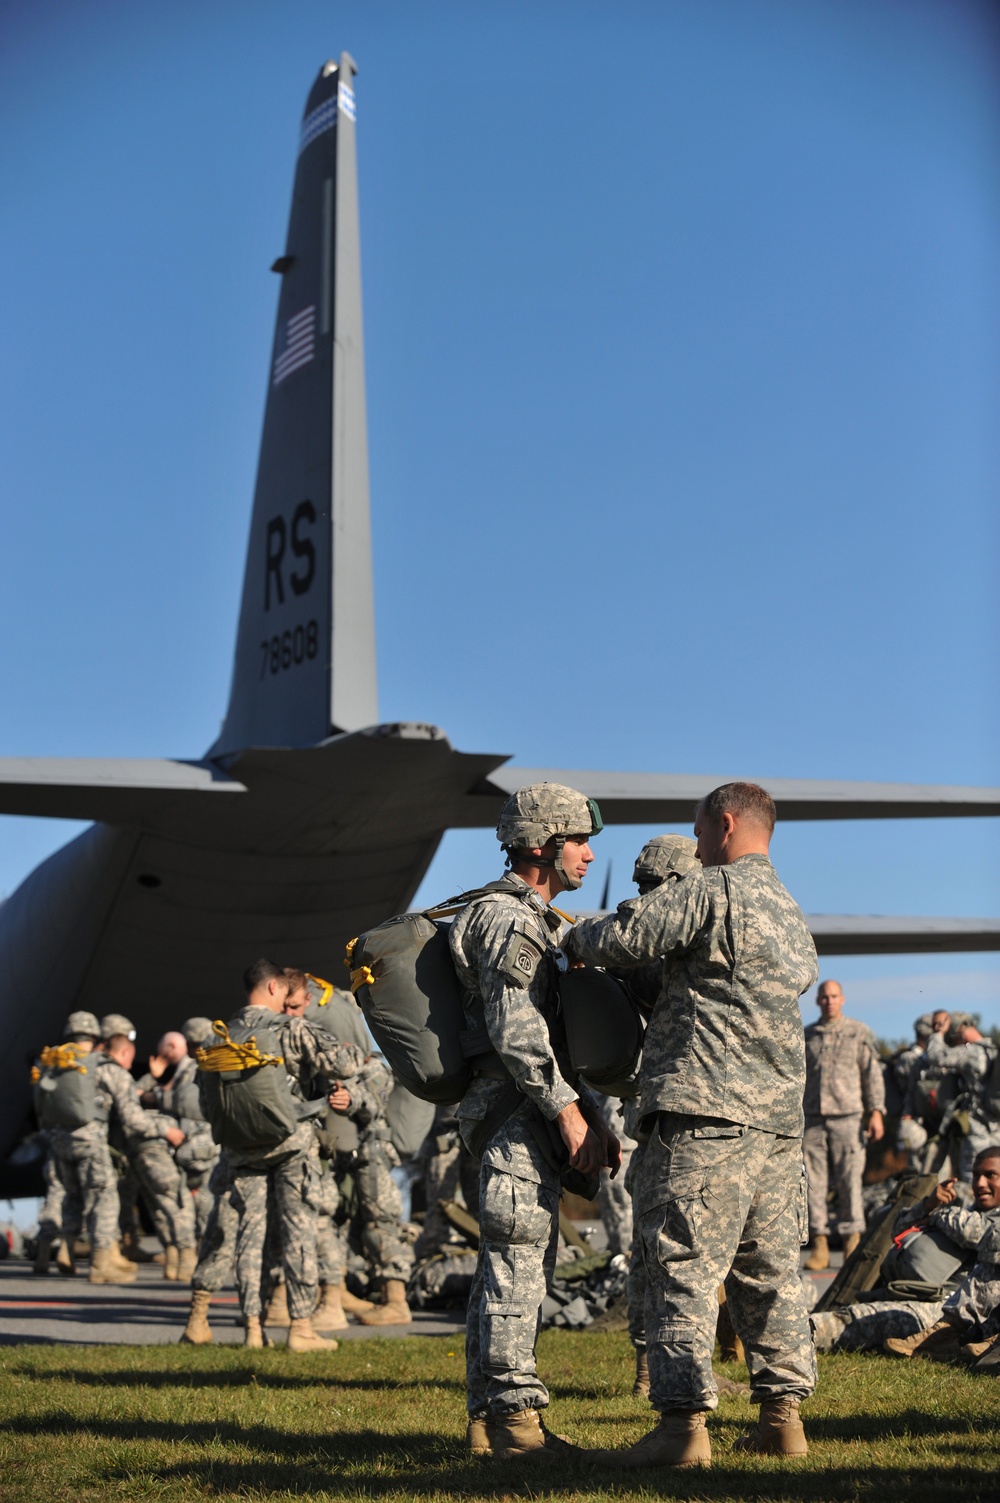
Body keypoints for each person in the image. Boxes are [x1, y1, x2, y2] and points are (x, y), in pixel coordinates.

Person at [564, 781, 818, 1468]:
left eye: (700, 831)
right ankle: (782, 1418)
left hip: (704, 1115)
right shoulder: (789, 910)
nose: (697, 844)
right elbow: (717, 985)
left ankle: (681, 1429)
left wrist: (573, 932)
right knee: (769, 1273)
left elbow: (624, 936)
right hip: (775, 1126)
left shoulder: (713, 890)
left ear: (726, 823)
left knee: (680, 1266)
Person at [452, 782, 618, 1462]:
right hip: (512, 1116)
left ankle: (487, 1424)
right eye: (578, 840)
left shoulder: (538, 920)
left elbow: (561, 1038)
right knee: (518, 1266)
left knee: (510, 1266)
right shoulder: (509, 920)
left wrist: (591, 1112)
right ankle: (517, 1428)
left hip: (524, 1112)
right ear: (542, 845)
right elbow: (518, 1031)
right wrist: (567, 1112)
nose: (586, 854)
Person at [224, 958, 366, 1350]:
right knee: (298, 1231)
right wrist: (351, 1049)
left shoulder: (224, 1032)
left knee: (250, 1237)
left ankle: (253, 1328)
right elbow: (347, 1062)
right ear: (274, 988)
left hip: (242, 1144)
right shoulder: (292, 1029)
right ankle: (300, 1329)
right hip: (290, 1143)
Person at [810, 1148, 1000, 1360]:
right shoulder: (964, 1207)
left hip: (941, 1307)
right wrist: (927, 1205)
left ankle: (797, 1335)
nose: (980, 1183)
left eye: (990, 1175)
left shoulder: (982, 1220)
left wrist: (938, 1214)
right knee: (823, 1300)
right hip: (898, 1291)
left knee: (858, 1319)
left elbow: (977, 1232)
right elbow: (897, 1229)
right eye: (976, 1175)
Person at [100, 1015, 196, 1280]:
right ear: (124, 1051)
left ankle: (173, 1260)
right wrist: (166, 1129)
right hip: (146, 1145)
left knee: (157, 1202)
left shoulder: (92, 1068)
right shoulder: (115, 1072)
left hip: (121, 1150)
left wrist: (149, 1082)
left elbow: (128, 1097)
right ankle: (185, 1259)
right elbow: (132, 1114)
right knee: (177, 1200)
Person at [801, 980, 885, 1271]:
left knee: (850, 1181)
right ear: (817, 1001)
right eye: (824, 997)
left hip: (848, 1117)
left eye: (834, 996)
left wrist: (876, 1112)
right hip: (812, 1119)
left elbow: (872, 1075)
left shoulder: (857, 1032)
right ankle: (820, 1243)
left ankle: (852, 1241)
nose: (829, 1001)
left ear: (843, 999)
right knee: (813, 1185)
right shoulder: (807, 1035)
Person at [43, 1012, 132, 1284]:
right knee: (103, 1200)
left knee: (72, 1197)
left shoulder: (53, 1064)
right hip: (91, 1142)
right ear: (94, 1037)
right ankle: (101, 1265)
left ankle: (67, 1252)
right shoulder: (104, 1066)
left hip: (59, 1143)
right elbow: (130, 1115)